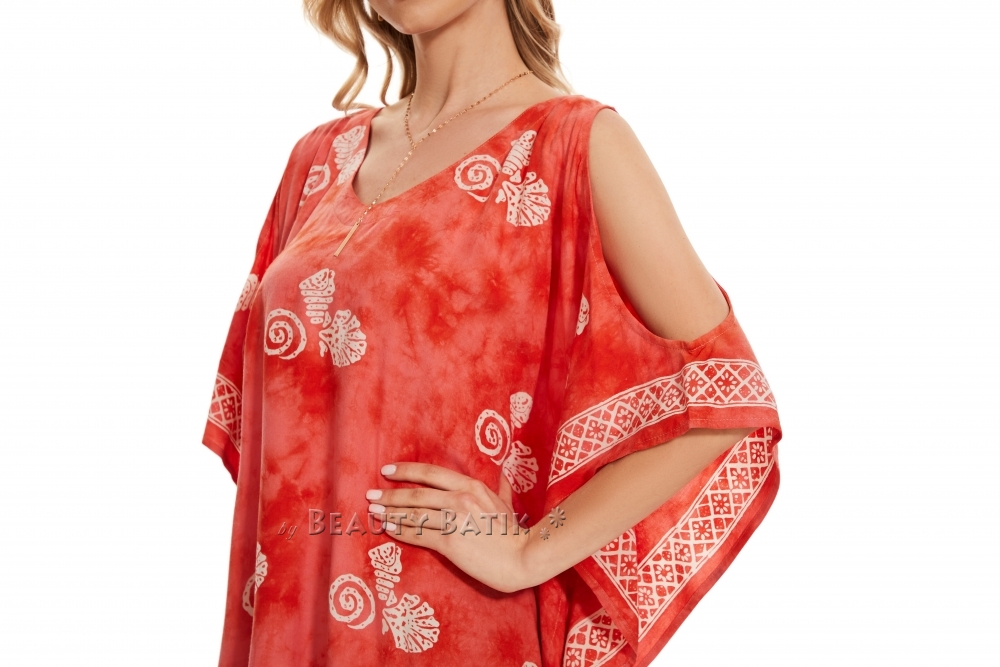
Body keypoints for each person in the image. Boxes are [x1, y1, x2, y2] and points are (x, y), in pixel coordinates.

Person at [201, 1, 782, 665]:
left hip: (460, 631)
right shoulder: (317, 160)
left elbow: (723, 392)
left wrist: (531, 550)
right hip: (290, 628)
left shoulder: (574, 144)